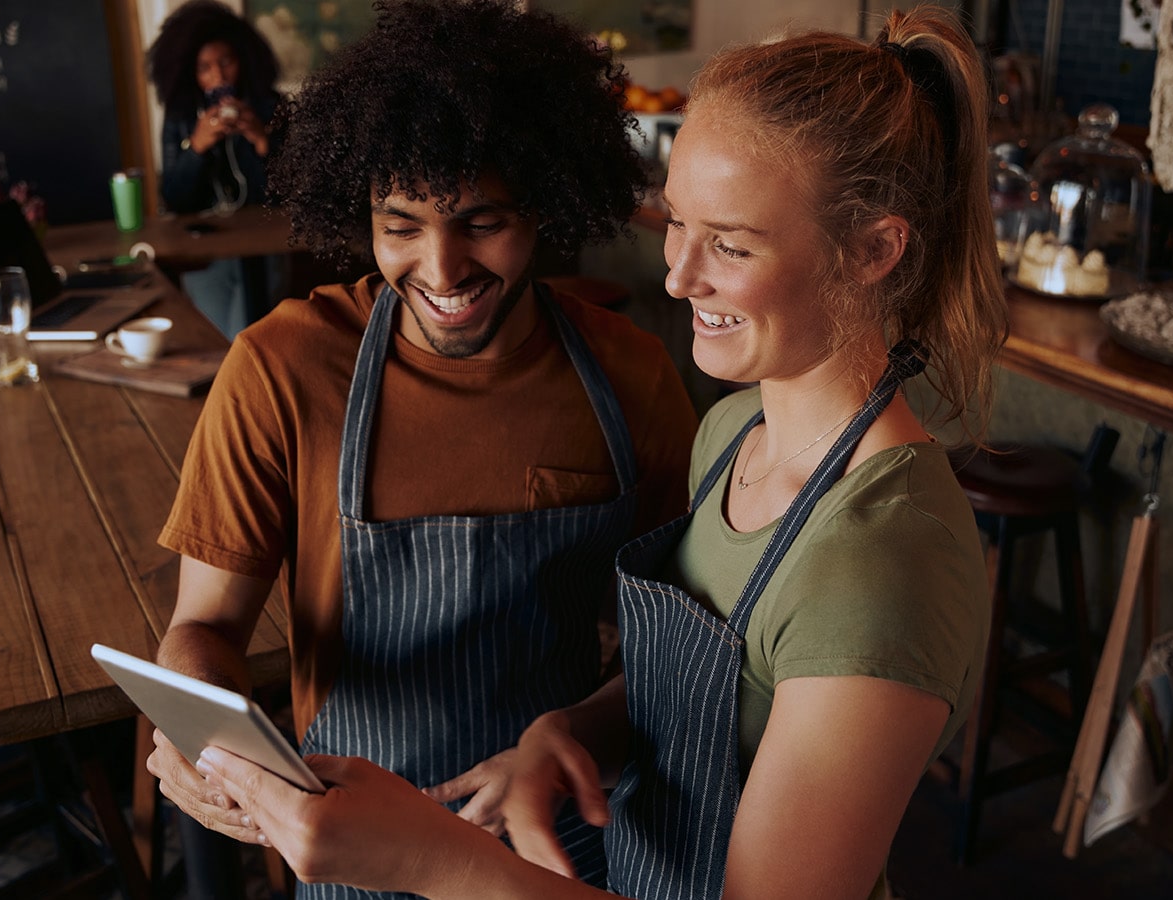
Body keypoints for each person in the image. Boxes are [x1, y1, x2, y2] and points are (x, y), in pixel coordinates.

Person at [184, 7, 1007, 899]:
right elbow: (697, 700)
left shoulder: (885, 556)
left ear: (875, 250)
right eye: (677, 225)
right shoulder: (735, 438)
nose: (678, 277)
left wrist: (432, 858)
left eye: (729, 244)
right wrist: (570, 732)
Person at [144, 1, 698, 898]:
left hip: (557, 846)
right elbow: (203, 628)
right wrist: (208, 733)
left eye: (482, 222)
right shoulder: (282, 368)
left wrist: (582, 732)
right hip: (349, 848)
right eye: (400, 226)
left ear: (548, 204)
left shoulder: (630, 375)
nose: (441, 272)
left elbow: (678, 651)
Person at [147, 0, 283, 338]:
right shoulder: (180, 117)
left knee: (250, 340)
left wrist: (261, 142)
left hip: (264, 247)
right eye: (205, 67)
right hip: (206, 255)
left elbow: (286, 198)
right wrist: (197, 147)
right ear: (189, 74)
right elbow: (175, 199)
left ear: (244, 60)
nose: (219, 76)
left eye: (226, 62)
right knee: (221, 341)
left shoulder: (270, 106)